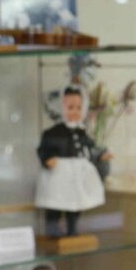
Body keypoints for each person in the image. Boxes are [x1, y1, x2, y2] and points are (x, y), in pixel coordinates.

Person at [35, 85, 112, 237]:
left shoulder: (82, 132)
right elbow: (43, 149)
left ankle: (72, 228)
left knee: (76, 202)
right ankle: (53, 230)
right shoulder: (53, 132)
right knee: (55, 202)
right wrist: (48, 159)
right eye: (70, 107)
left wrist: (100, 155)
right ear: (61, 108)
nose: (75, 112)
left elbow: (90, 148)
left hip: (77, 175)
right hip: (58, 174)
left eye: (78, 107)